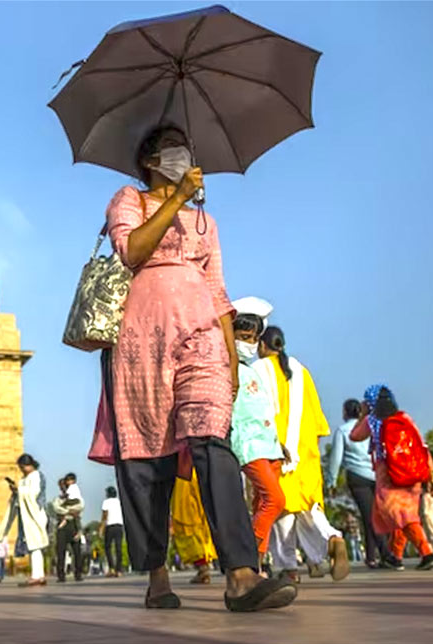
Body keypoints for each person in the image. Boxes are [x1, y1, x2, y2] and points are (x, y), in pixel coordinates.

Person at [86, 126, 296, 611]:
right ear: (151, 159)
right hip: (140, 344)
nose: (186, 154)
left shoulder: (205, 222)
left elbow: (219, 289)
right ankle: (157, 575)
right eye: (176, 146)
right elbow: (132, 251)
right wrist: (175, 196)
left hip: (201, 336)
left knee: (212, 444)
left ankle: (242, 574)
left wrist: (230, 356)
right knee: (148, 462)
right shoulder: (129, 200)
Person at [252, 326, 348, 583]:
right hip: (306, 454)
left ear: (262, 345)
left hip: (276, 451)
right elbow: (319, 424)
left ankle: (289, 568)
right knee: (310, 509)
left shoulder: (258, 370)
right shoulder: (302, 371)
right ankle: (332, 539)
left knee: (280, 510)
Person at [350, 384, 433, 570]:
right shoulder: (404, 418)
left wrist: (363, 414)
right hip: (413, 472)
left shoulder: (372, 421)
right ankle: (395, 556)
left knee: (402, 516)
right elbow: (421, 445)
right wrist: (430, 474)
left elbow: (354, 436)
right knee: (402, 515)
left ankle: (427, 553)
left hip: (389, 473)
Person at [228, 306, 287, 571]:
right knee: (276, 500)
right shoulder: (225, 369)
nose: (249, 344)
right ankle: (250, 558)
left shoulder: (252, 371)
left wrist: (279, 443)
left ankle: (257, 565)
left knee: (262, 503)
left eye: (253, 339)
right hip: (249, 446)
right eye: (243, 337)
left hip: (270, 446)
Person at [326, 399, 395, 569]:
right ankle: (371, 556)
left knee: (368, 516)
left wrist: (331, 481)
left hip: (357, 477)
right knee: (375, 515)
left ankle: (386, 554)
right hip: (376, 474)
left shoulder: (343, 431)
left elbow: (335, 458)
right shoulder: (370, 427)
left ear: (345, 412)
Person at [0, 454, 49, 586]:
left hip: (35, 514)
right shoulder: (25, 478)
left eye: (23, 467)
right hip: (27, 515)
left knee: (35, 545)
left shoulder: (36, 475)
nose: (22, 470)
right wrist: (16, 490)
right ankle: (39, 575)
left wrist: (19, 490)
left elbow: (33, 493)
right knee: (33, 545)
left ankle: (36, 576)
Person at [170, 469, 219, 584]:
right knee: (200, 519)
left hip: (183, 471)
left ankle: (203, 567)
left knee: (187, 519)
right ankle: (204, 566)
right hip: (198, 470)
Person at [53, 474, 85, 583]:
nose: (63, 487)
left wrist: (66, 510)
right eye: (61, 486)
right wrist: (70, 511)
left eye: (64, 485)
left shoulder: (76, 496)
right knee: (60, 551)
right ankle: (61, 575)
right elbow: (57, 509)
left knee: (77, 551)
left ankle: (78, 573)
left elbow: (80, 506)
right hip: (62, 526)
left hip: (74, 525)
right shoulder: (58, 499)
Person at [99, 486, 125, 578]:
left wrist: (101, 528)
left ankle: (112, 568)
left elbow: (105, 516)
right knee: (118, 548)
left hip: (110, 526)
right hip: (119, 525)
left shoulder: (106, 502)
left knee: (108, 547)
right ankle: (119, 570)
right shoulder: (119, 502)